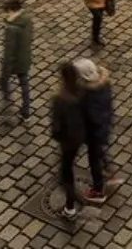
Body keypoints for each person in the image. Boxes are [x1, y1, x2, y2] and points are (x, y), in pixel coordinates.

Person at [49, 61, 87, 220]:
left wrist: (58, 137)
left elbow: (56, 128)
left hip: (67, 142)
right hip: (79, 137)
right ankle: (73, 195)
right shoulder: (81, 91)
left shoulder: (60, 98)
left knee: (64, 175)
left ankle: (70, 207)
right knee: (68, 168)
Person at [75, 58, 114, 204]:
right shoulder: (104, 84)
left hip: (93, 134)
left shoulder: (87, 95)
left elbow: (90, 117)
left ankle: (98, 190)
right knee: (101, 152)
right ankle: (110, 173)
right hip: (104, 128)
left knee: (94, 161)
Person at [0, 0, 33, 119]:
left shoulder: (11, 29)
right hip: (25, 56)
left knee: (3, 80)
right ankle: (26, 111)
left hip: (15, 61)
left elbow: (9, 50)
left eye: (7, 11)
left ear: (11, 10)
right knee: (24, 83)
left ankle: (7, 100)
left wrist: (6, 66)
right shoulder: (27, 19)